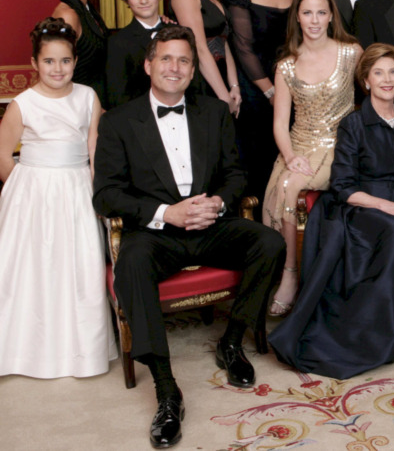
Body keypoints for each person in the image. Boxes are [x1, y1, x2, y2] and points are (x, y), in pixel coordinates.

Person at [93, 25, 285, 448]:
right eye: (166, 58)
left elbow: (236, 175)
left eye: (183, 60)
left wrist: (216, 203)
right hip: (156, 233)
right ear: (148, 65)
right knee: (131, 263)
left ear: (193, 68)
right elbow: (106, 194)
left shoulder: (213, 112)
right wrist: (168, 213)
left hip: (209, 225)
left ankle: (232, 342)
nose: (174, 67)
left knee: (270, 243)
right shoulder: (120, 121)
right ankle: (166, 390)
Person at [269, 44, 394, 378]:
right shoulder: (353, 124)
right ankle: (383, 333)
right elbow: (343, 187)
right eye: (379, 73)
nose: (387, 79)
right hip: (364, 206)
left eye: (393, 72)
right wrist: (392, 208)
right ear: (366, 81)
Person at [0, 18, 114, 379]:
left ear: (75, 62)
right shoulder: (23, 103)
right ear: (35, 63)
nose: (57, 69)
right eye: (49, 61)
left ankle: (79, 351)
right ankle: (24, 351)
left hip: (77, 186)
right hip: (32, 192)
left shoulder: (87, 97)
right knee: (34, 268)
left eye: (64, 61)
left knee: (78, 266)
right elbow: (3, 155)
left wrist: (97, 193)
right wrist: (25, 189)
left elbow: (95, 148)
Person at [262, 0, 361, 318]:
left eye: (321, 12)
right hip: (298, 145)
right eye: (307, 13)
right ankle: (286, 273)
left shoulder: (352, 53)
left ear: (331, 15)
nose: (315, 19)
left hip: (340, 147)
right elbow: (279, 123)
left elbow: (377, 92)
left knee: (291, 186)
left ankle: (291, 278)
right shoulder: (286, 65)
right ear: (298, 18)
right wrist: (290, 157)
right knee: (283, 184)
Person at [223, 0, 292, 212]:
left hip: (291, 85)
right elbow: (244, 50)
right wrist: (271, 92)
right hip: (257, 91)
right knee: (261, 160)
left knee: (288, 158)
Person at [47, 0, 110, 105]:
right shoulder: (68, 15)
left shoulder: (88, 10)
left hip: (95, 106)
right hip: (78, 109)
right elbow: (57, 72)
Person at [106, 0, 171, 108]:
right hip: (139, 122)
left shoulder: (179, 33)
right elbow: (117, 97)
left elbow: (195, 84)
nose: (144, 0)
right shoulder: (117, 43)